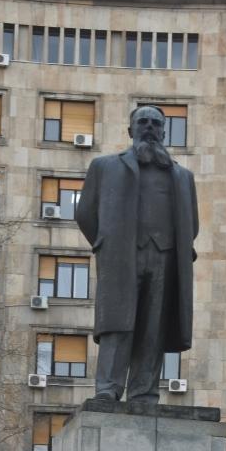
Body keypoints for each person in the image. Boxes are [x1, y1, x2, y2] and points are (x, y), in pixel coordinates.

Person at [75, 105, 198, 404]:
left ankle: (144, 391)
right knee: (117, 324)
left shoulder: (182, 176)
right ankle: (109, 388)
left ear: (164, 132)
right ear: (131, 130)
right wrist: (108, 244)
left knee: (153, 327)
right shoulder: (104, 166)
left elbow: (191, 223)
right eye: (143, 122)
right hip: (121, 257)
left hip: (165, 258)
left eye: (156, 123)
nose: (150, 127)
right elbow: (85, 213)